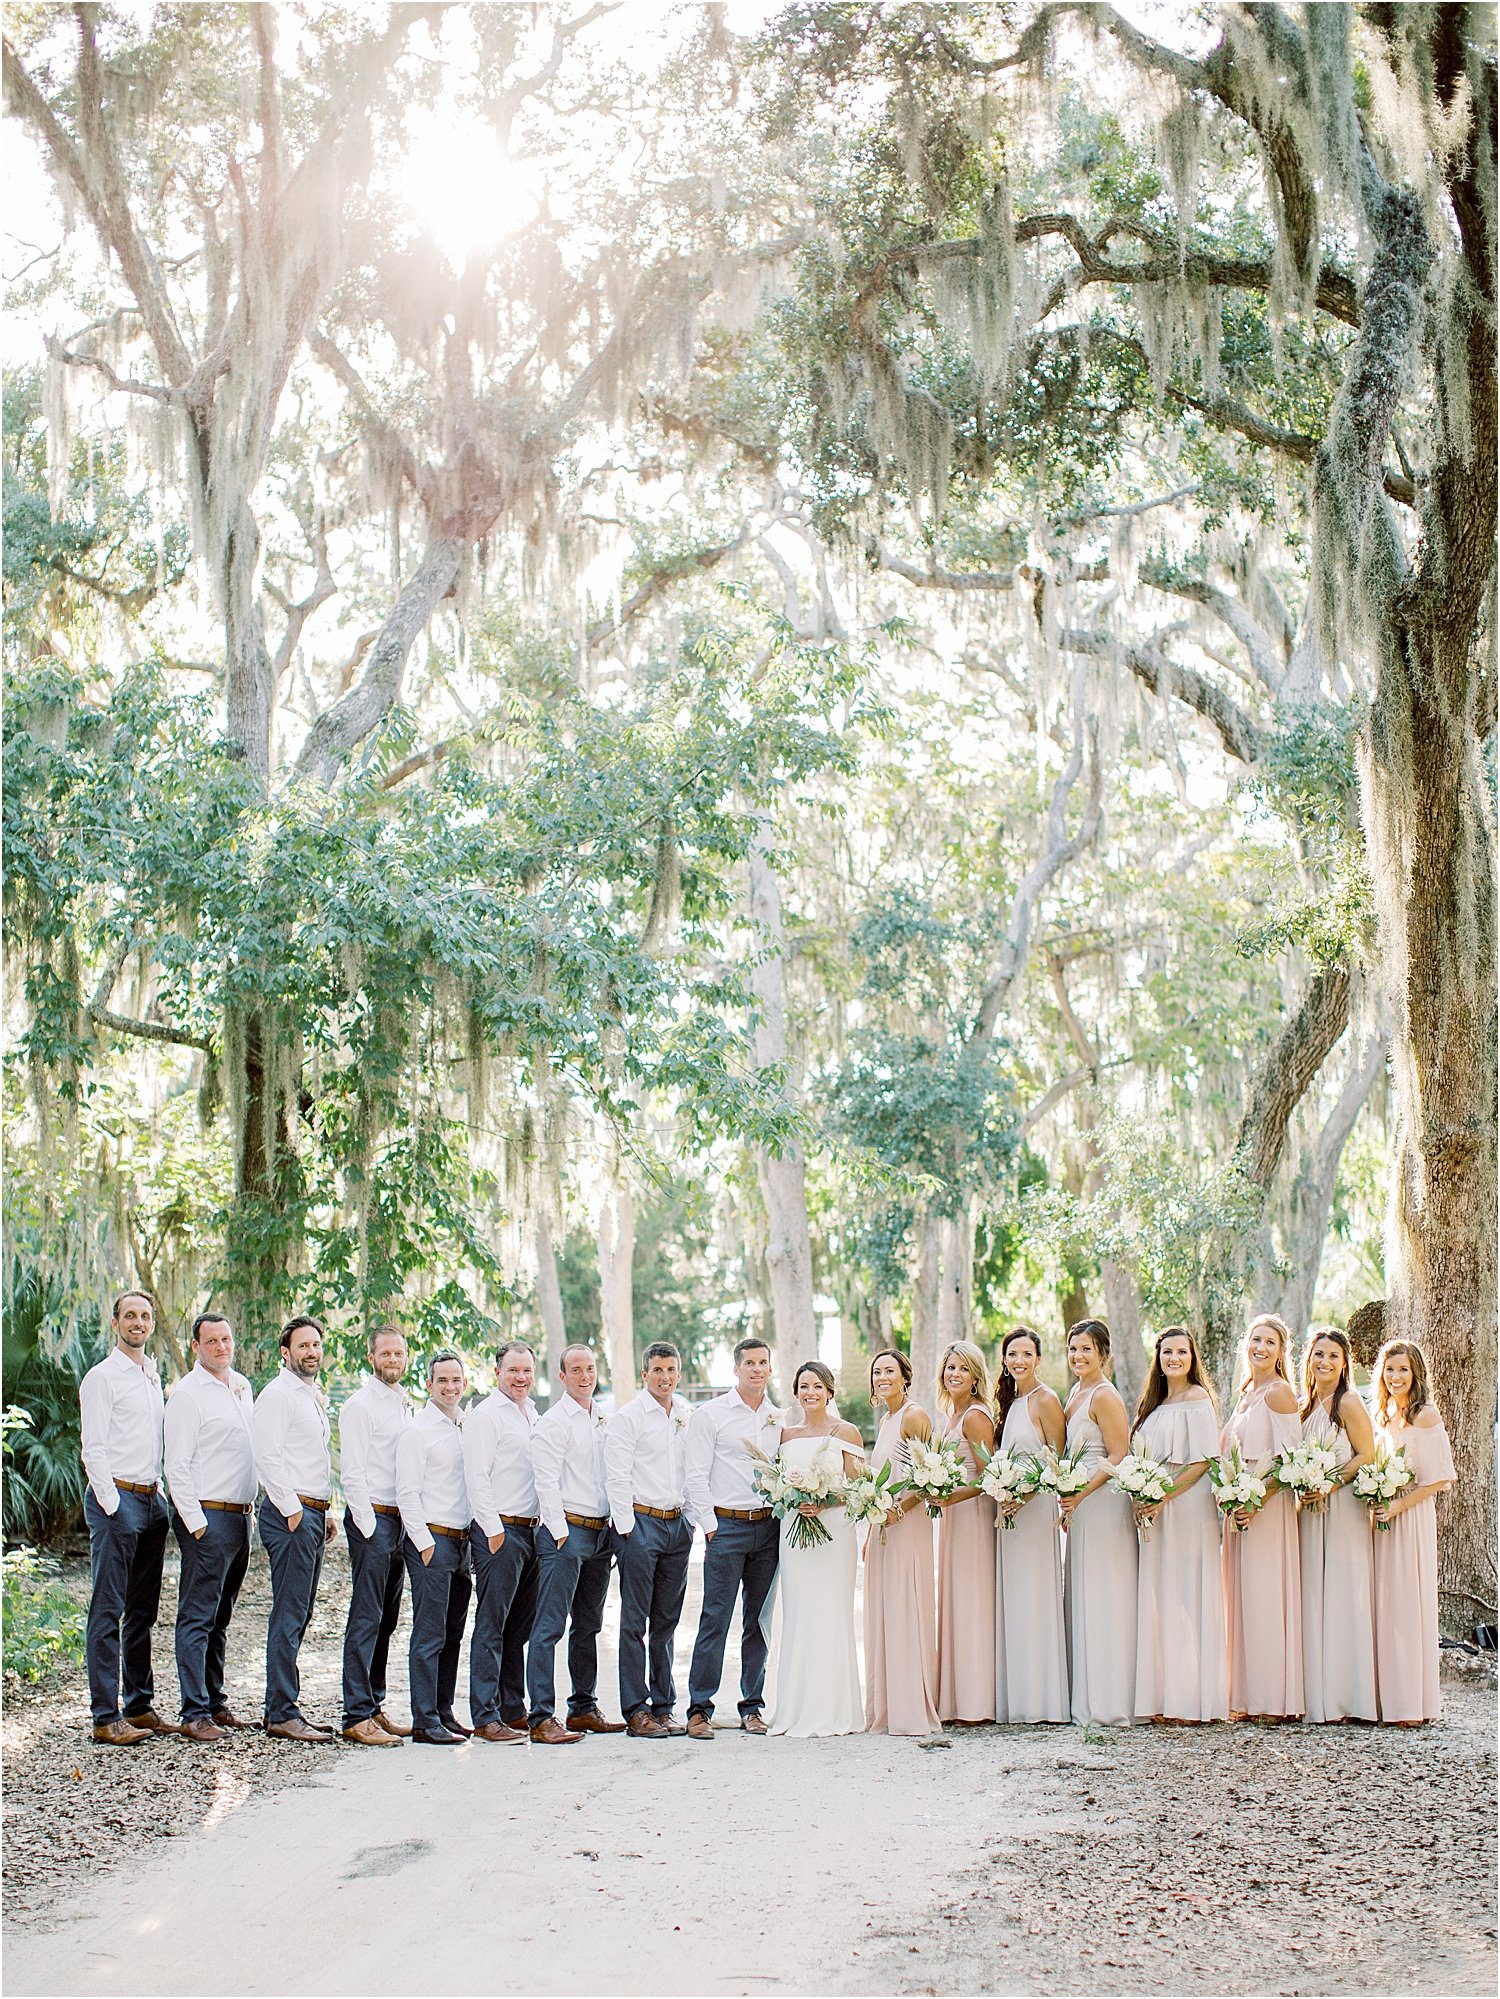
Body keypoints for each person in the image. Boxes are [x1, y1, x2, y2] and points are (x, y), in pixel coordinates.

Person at [79, 1290, 173, 1744]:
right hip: (117, 1500)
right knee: (109, 1608)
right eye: (130, 1316)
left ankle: (139, 1706)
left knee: (142, 1610)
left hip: (152, 1501)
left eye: (145, 1316)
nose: (138, 1322)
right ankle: (104, 1715)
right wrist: (114, 1506)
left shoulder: (151, 1376)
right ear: (115, 1323)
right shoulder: (103, 1378)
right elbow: (93, 1448)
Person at [163, 1312, 257, 1741]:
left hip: (240, 1516)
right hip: (206, 1516)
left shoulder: (241, 1387)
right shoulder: (187, 1395)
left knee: (221, 1616)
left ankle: (215, 1703)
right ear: (196, 1346)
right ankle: (193, 1711)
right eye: (212, 1341)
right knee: (197, 1616)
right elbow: (176, 1467)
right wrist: (197, 1525)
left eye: (226, 1338)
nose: (221, 1346)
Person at [684, 1335, 783, 1739]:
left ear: (770, 1368)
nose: (757, 1369)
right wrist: (710, 1526)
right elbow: (695, 1474)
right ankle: (698, 1708)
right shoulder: (711, 1415)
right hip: (726, 1528)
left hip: (768, 1528)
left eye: (763, 1362)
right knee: (715, 1618)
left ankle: (752, 1707)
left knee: (758, 1622)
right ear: (736, 1369)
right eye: (750, 1363)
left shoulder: (779, 1418)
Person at [526, 1344, 625, 1743]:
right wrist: (561, 1533)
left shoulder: (603, 1419)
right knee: (549, 1626)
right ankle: (541, 1717)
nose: (585, 1376)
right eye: (576, 1370)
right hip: (567, 1532)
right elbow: (545, 1480)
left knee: (589, 1624)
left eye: (590, 1369)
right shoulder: (554, 1422)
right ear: (562, 1377)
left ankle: (583, 1707)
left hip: (600, 1535)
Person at [1131, 1326, 1228, 1724]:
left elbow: (1204, 1461)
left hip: (1186, 1505)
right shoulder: (1153, 1405)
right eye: (1167, 1352)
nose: (1173, 1358)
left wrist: (1161, 1494)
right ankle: (1162, 1696)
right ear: (1158, 1357)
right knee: (1161, 1596)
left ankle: (1192, 1701)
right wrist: (1142, 1494)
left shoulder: (1198, 1399)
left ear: (1192, 1358)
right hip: (1155, 1507)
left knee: (1188, 1595)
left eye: (1181, 1352)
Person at [253, 1315, 339, 1741]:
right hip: (291, 1516)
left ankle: (284, 1706)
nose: (311, 1352)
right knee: (289, 1613)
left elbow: (311, 1460)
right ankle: (282, 1712)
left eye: (316, 1345)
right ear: (285, 1353)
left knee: (300, 1612)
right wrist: (293, 1511)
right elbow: (267, 1457)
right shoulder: (278, 1395)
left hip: (312, 1514)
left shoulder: (309, 1395)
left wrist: (326, 1511)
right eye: (303, 1346)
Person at [769, 1360, 864, 1737]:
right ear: (796, 1392)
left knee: (830, 1612)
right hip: (795, 1535)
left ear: (830, 1390)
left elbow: (857, 1488)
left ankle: (835, 1708)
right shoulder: (786, 1437)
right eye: (804, 1386)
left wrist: (824, 1501)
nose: (810, 1393)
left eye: (817, 1386)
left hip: (834, 1535)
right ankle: (796, 1707)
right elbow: (777, 1482)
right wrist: (794, 1497)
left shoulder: (848, 1432)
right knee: (800, 1613)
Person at [605, 1342, 693, 1738]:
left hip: (677, 1526)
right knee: (633, 1621)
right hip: (640, 1524)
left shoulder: (686, 1415)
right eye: (657, 1370)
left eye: (671, 1369)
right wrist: (627, 1530)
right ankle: (636, 1710)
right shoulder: (629, 1418)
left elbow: (694, 1471)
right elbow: (617, 1476)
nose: (665, 1377)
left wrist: (690, 1522)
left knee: (666, 1623)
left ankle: (664, 1705)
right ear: (645, 1374)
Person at [1221, 1313, 1304, 1722]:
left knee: (1266, 1597)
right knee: (1240, 1598)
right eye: (1256, 1340)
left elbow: (1292, 1459)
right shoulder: (1245, 1394)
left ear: (1281, 1352)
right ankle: (1246, 1697)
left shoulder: (1280, 1393)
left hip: (1267, 1509)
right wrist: (1232, 1494)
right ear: (1245, 1345)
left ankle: (1273, 1700)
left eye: (1270, 1342)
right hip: (1237, 1504)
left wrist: (1258, 1497)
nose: (1261, 1348)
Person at [1370, 1339, 1457, 1725]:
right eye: (1390, 1370)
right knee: (1384, 1603)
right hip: (1383, 1514)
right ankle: (1385, 1697)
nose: (1396, 1377)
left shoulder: (1426, 1416)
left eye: (1403, 1369)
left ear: (1416, 1373)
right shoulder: (1385, 1414)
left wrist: (1400, 1504)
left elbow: (1440, 1478)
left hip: (1412, 1514)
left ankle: (1411, 1704)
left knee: (1407, 1603)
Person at [338, 1323, 413, 1745]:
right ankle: (355, 1714)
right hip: (374, 1521)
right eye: (385, 1354)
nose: (393, 1360)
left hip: (400, 1521)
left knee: (387, 1618)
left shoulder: (403, 1404)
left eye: (399, 1354)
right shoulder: (360, 1405)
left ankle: (375, 1704)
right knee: (366, 1617)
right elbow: (353, 1472)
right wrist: (368, 1527)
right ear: (371, 1357)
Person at [1059, 1319, 1137, 1727]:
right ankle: (1085, 1694)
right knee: (1084, 1593)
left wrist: (1083, 1492)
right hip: (1081, 1499)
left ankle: (1109, 1699)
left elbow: (1120, 1453)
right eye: (1073, 1349)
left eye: (1086, 1349)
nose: (1078, 1356)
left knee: (1104, 1594)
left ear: (1103, 1354)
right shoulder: (1076, 1392)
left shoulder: (1105, 1396)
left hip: (1103, 1499)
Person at [1298, 1325, 1377, 1724]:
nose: (1325, 1362)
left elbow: (1367, 1454)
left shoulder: (1348, 1402)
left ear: (1345, 1362)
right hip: (1310, 1511)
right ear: (1308, 1360)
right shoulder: (1306, 1404)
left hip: (1342, 1507)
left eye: (1333, 1356)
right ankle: (1319, 1694)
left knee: (1344, 1593)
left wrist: (1329, 1483)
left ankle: (1348, 1697)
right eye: (1318, 1355)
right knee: (1314, 1593)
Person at [464, 1341, 541, 1744]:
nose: (521, 1378)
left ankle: (513, 1707)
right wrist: (492, 1530)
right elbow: (477, 1476)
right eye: (513, 1370)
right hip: (501, 1532)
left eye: (527, 1370)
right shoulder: (486, 1416)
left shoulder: (532, 1413)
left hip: (531, 1531)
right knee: (492, 1625)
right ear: (498, 1373)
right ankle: (485, 1715)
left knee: (518, 1628)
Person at [992, 1325, 1069, 1724]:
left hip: (1034, 1511)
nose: (1018, 1361)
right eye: (1012, 1354)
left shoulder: (1045, 1399)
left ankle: (1043, 1700)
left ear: (1038, 1359)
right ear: (1004, 1361)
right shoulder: (1010, 1403)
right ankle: (1018, 1698)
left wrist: (1022, 1497)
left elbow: (1058, 1460)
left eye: (1026, 1354)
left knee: (1036, 1595)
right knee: (1015, 1597)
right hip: (1008, 1512)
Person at [397, 1349, 474, 1745]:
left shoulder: (466, 1425)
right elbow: (406, 1492)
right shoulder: (417, 1431)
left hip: (462, 1543)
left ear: (464, 1384)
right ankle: (424, 1720)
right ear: (429, 1385)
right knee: (429, 1633)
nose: (450, 1387)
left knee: (453, 1632)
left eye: (455, 1380)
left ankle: (444, 1711)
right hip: (432, 1540)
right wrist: (425, 1544)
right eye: (442, 1380)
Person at [863, 1348, 941, 1737]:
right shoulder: (887, 1419)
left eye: (889, 1371)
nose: (882, 1377)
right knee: (885, 1610)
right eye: (877, 1372)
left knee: (905, 1606)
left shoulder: (914, 1415)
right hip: (882, 1525)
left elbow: (929, 1477)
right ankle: (888, 1705)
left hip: (907, 1524)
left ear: (904, 1376)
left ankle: (911, 1708)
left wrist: (898, 1508)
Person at [933, 1339, 996, 1726]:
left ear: (975, 1377)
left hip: (971, 1516)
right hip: (954, 1517)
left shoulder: (975, 1416)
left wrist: (946, 1498)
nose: (954, 1374)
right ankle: (957, 1700)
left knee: (972, 1601)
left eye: (962, 1369)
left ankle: (976, 1703)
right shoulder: (950, 1416)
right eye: (950, 1368)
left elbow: (988, 1477)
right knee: (956, 1600)